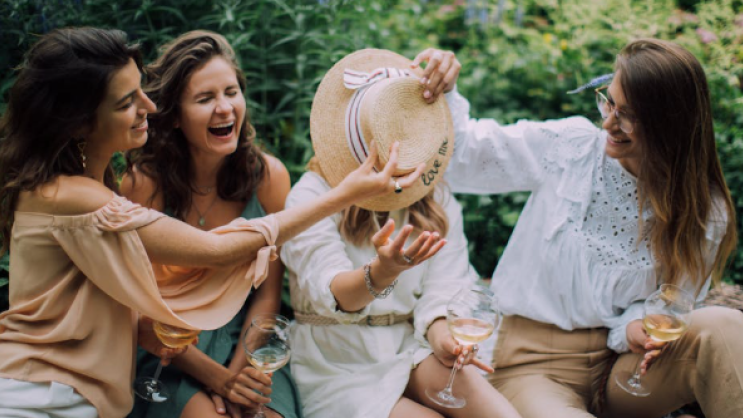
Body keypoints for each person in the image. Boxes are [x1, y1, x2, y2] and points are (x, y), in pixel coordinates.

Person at [0, 28, 419, 418]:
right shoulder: (78, 196)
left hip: (85, 391)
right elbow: (215, 251)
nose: (148, 106)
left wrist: (239, 369)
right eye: (127, 102)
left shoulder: (91, 185)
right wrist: (343, 194)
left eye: (232, 92)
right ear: (78, 121)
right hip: (41, 393)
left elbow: (134, 303)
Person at [412, 39, 742, 418]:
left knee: (725, 325)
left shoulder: (705, 209)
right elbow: (462, 157)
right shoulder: (570, 149)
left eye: (628, 116)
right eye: (608, 102)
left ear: (670, 124)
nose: (608, 123)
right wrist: (445, 87)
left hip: (624, 371)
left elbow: (674, 303)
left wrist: (634, 326)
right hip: (531, 367)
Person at [281, 49, 522, 418]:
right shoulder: (312, 197)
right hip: (337, 360)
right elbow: (333, 293)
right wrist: (382, 272)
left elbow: (444, 289)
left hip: (410, 346)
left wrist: (445, 339)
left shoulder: (435, 198)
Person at [122, 30, 294, 418]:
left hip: (248, 341)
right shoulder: (143, 184)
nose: (225, 108)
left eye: (231, 92)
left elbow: (268, 296)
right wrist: (219, 380)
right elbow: (137, 308)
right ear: (175, 116)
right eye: (205, 99)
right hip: (169, 351)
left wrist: (240, 375)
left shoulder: (269, 177)